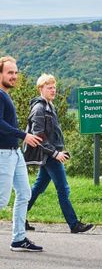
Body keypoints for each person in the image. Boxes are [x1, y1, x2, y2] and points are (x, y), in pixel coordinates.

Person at [24, 74, 94, 234]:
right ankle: (74, 224)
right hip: (49, 156)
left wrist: (58, 150)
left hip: (51, 154)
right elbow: (39, 136)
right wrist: (55, 153)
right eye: (49, 87)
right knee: (63, 189)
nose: (53, 90)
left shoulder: (50, 106)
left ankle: (20, 218)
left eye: (54, 87)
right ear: (40, 89)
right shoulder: (39, 108)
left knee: (37, 188)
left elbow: (52, 134)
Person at [0, 56, 44, 252]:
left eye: (16, 72)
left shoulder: (5, 95)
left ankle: (18, 239)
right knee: (1, 199)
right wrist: (24, 135)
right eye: (10, 72)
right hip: (3, 154)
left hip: (14, 152)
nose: (14, 76)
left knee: (24, 194)